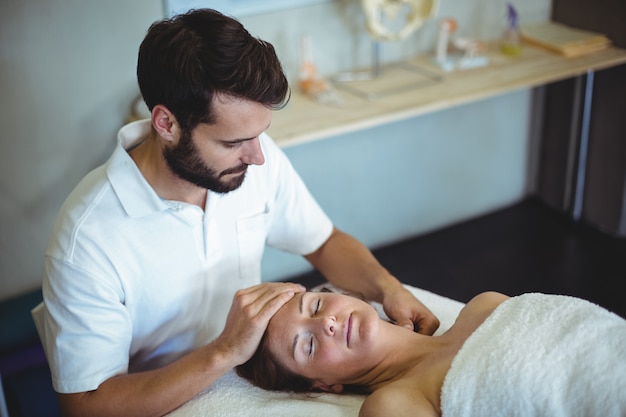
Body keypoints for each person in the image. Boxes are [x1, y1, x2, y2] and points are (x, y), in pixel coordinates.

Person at [35, 8, 439, 417]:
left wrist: (388, 289)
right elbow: (85, 406)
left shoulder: (249, 159)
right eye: (234, 142)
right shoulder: (87, 239)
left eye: (260, 135)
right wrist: (224, 351)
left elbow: (323, 242)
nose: (258, 156)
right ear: (166, 124)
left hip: (253, 375)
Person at [237, 289, 626, 417]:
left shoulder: (483, 304)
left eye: (317, 306)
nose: (327, 325)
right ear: (325, 384)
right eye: (308, 345)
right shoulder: (393, 402)